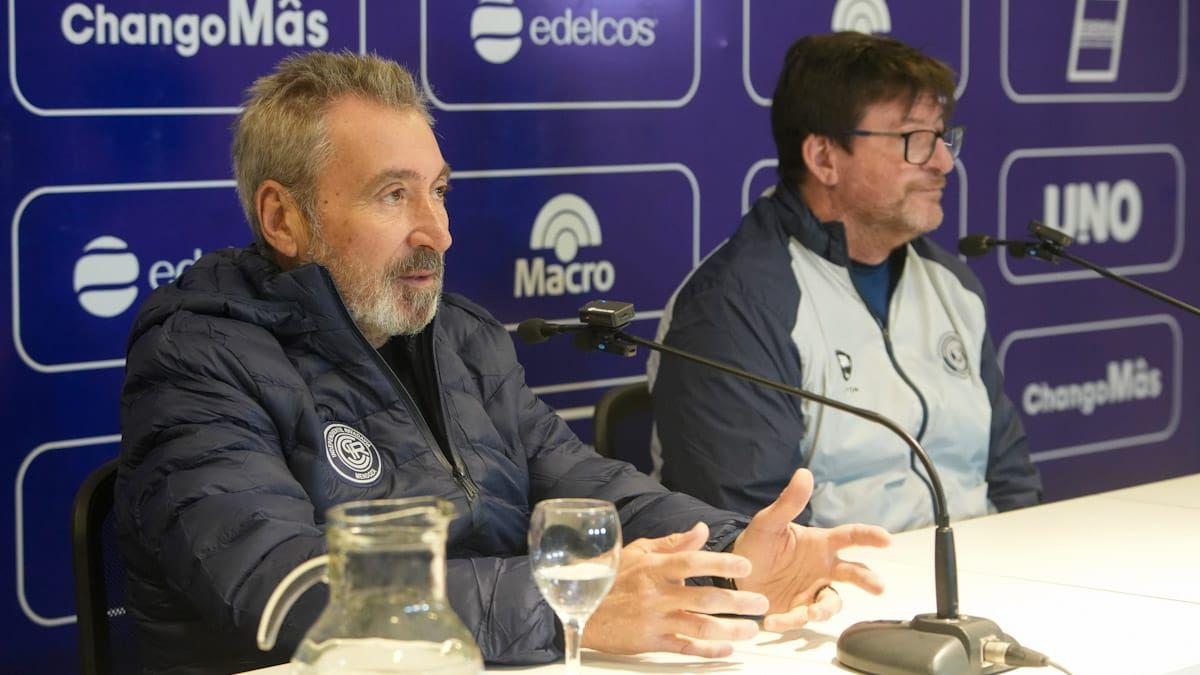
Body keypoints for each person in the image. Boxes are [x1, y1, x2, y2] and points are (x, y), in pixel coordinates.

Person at [113, 50, 891, 674]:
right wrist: (571, 608)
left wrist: (733, 552)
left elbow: (586, 490)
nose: (438, 231)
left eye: (439, 192)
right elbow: (291, 594)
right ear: (283, 217)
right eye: (393, 196)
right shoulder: (195, 356)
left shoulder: (460, 336)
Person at [649, 32, 1043, 534]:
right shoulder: (733, 308)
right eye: (915, 140)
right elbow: (757, 537)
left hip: (984, 587)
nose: (944, 162)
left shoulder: (953, 286)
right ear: (824, 158)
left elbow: (1011, 481)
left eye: (942, 137)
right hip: (832, 602)